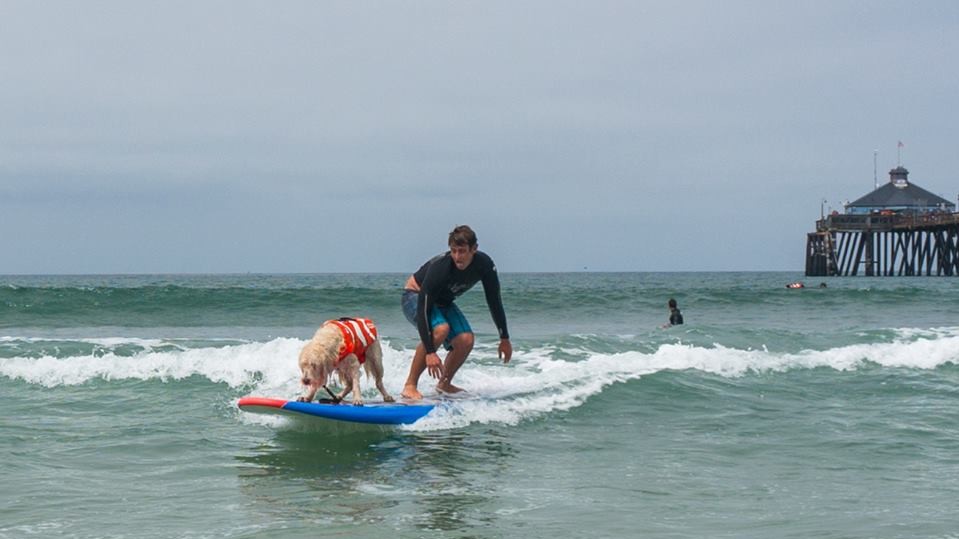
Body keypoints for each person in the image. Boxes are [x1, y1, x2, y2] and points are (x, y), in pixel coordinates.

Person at [400, 225, 512, 399]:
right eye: (453, 251)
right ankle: (410, 385)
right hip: (414, 296)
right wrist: (430, 352)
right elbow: (423, 307)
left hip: (443, 302)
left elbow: (494, 300)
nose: (457, 257)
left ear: (474, 249)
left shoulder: (485, 265)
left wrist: (504, 338)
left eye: (462, 251)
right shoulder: (441, 268)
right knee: (441, 329)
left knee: (465, 339)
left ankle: (444, 384)